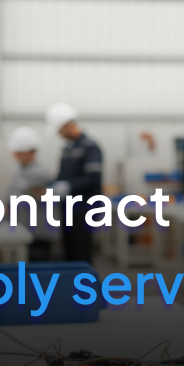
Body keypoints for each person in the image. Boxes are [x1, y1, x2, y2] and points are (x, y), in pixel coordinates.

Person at [46, 102, 103, 263]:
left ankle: (86, 287)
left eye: (59, 130)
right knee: (69, 250)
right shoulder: (68, 149)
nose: (59, 134)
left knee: (82, 251)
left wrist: (68, 186)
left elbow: (93, 178)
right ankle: (71, 285)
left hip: (84, 209)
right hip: (68, 208)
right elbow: (62, 176)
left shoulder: (89, 147)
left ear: (67, 125)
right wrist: (51, 185)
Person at [3, 126, 57, 261]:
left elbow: (23, 196)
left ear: (29, 152)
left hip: (39, 232)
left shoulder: (39, 173)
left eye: (18, 152)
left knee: (37, 270)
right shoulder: (22, 170)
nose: (14, 155)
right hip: (26, 228)